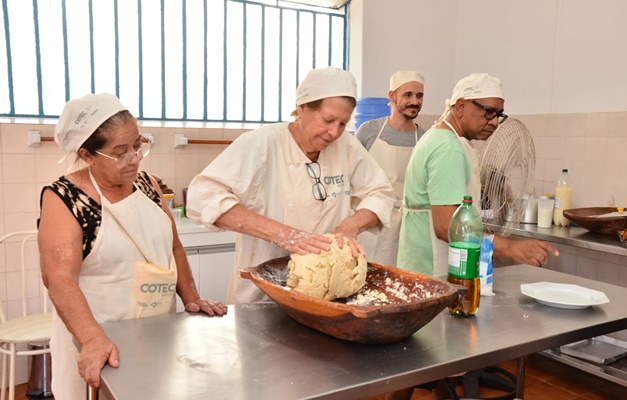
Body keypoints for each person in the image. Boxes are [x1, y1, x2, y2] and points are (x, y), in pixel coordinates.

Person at [38, 93, 228, 398]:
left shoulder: (146, 184)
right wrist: (91, 339)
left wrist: (191, 297)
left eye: (138, 146)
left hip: (156, 334)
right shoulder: (64, 198)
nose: (135, 158)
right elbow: (58, 279)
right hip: (101, 341)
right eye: (121, 152)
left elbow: (173, 247)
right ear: (87, 155)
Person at [186, 66, 396, 304]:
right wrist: (283, 234)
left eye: (342, 123)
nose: (334, 132)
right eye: (328, 120)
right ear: (302, 108)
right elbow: (201, 196)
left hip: (328, 297)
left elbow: (381, 193)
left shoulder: (346, 146)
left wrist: (351, 225)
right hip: (262, 296)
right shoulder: (261, 144)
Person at [398, 73, 559, 277]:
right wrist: (510, 248)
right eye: (488, 112)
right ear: (461, 106)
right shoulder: (448, 148)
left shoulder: (441, 138)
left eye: (499, 114)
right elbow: (446, 226)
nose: (494, 123)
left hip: (419, 270)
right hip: (430, 273)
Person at [355, 70, 426, 266]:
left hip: (406, 225)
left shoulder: (424, 139)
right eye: (408, 95)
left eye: (419, 96)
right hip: (370, 221)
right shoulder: (369, 131)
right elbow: (350, 175)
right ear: (392, 96)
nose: (414, 101)